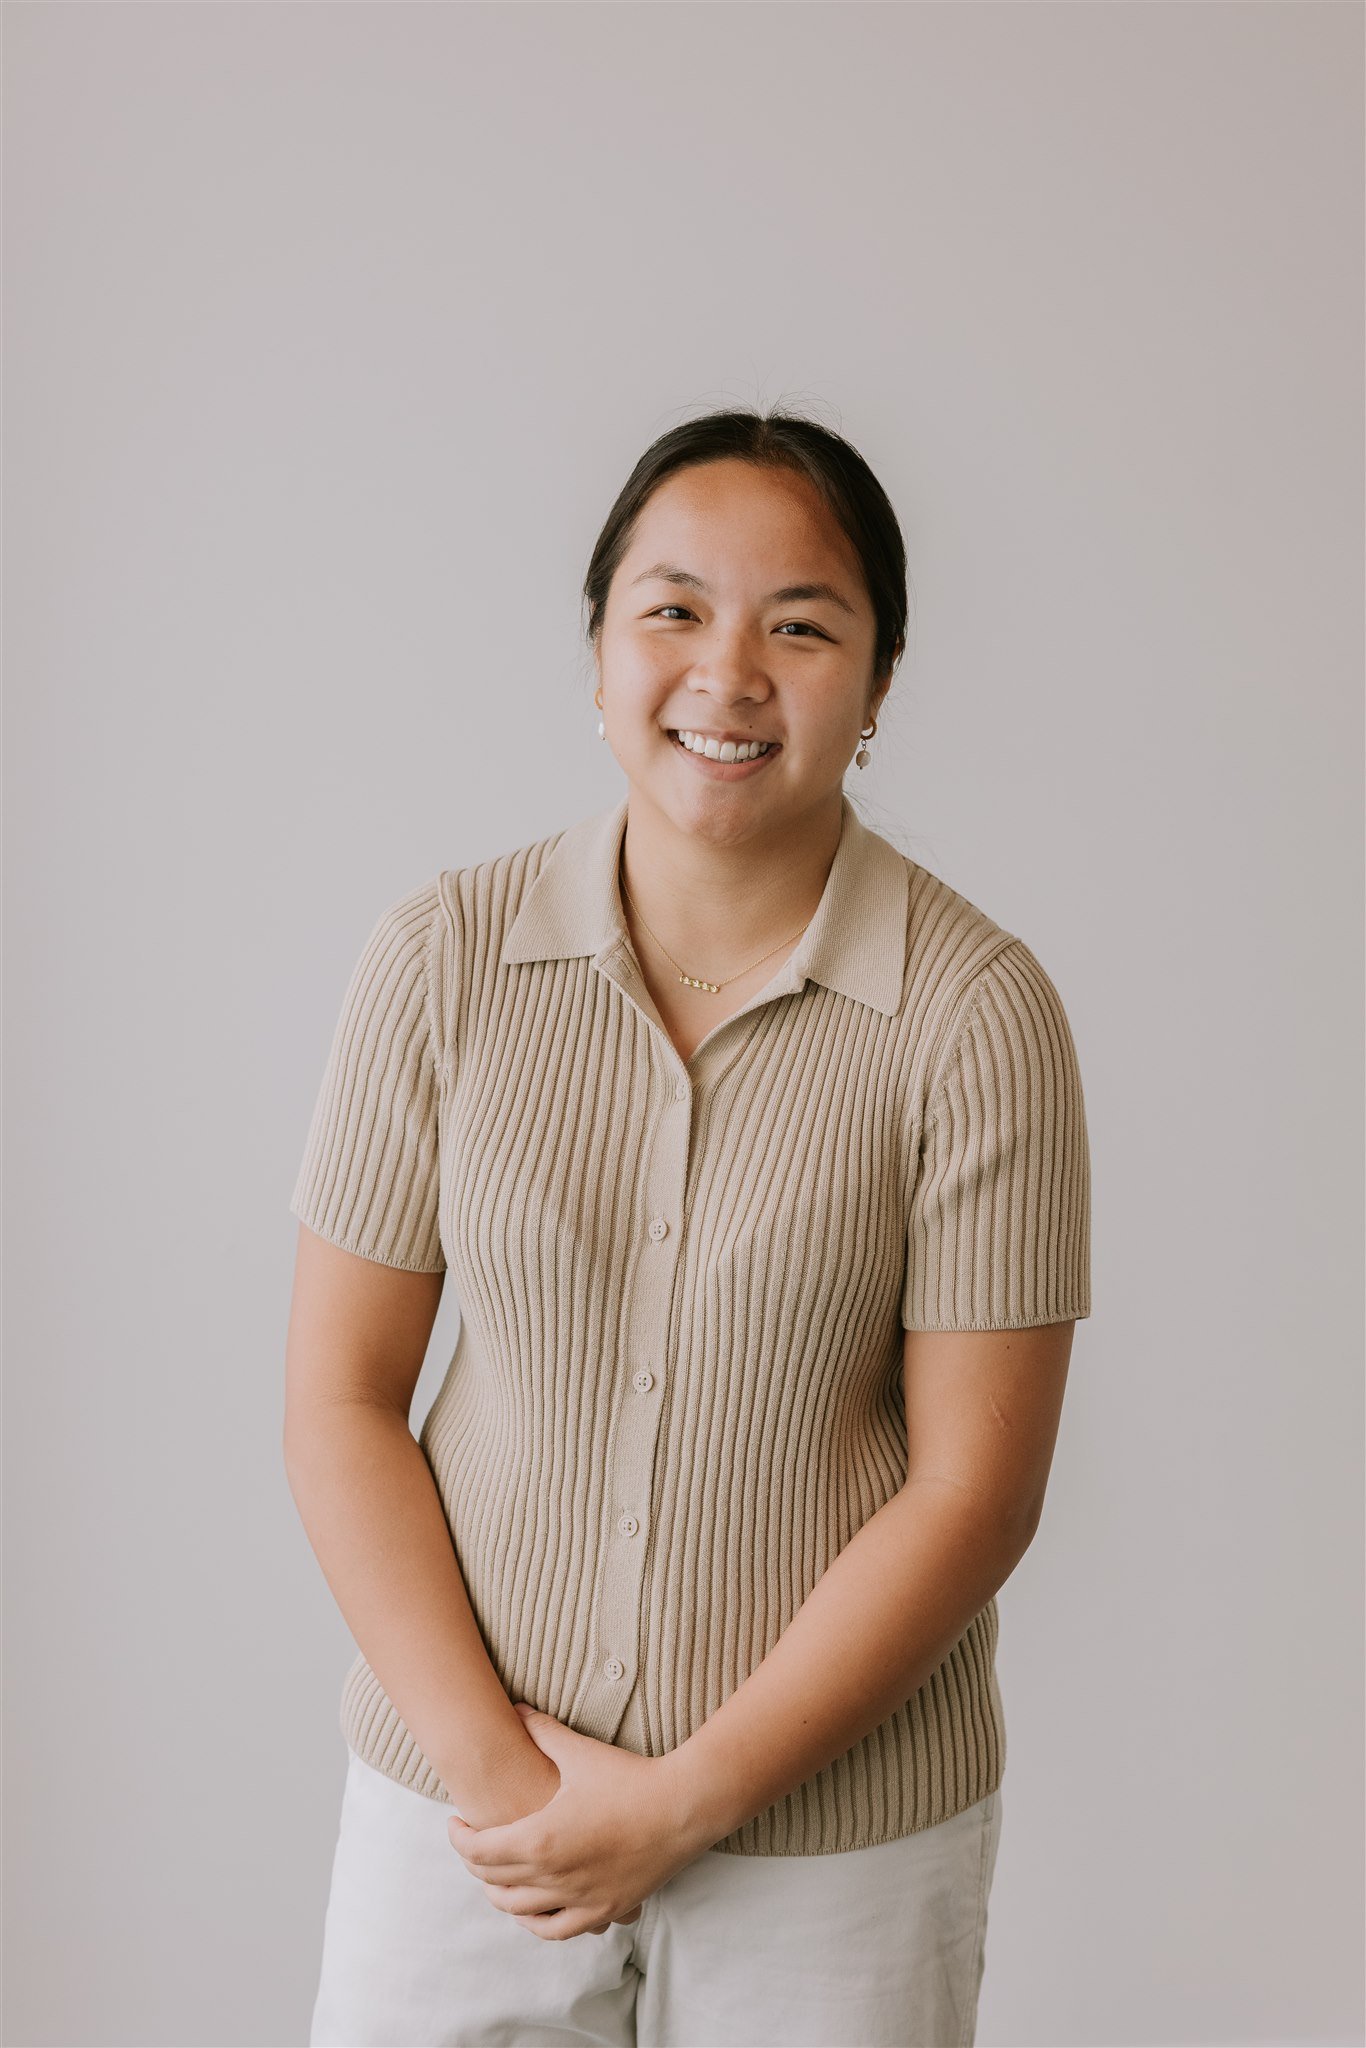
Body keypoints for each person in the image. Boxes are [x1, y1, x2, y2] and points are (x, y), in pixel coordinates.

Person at [283, 406, 1093, 2048]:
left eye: (802, 625)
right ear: (596, 656)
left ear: (875, 692)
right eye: (672, 610)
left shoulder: (977, 1012)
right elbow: (339, 1401)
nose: (729, 673)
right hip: (466, 1823)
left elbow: (975, 1491)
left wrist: (687, 1799)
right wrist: (516, 1787)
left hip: (838, 1858)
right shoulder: (440, 954)